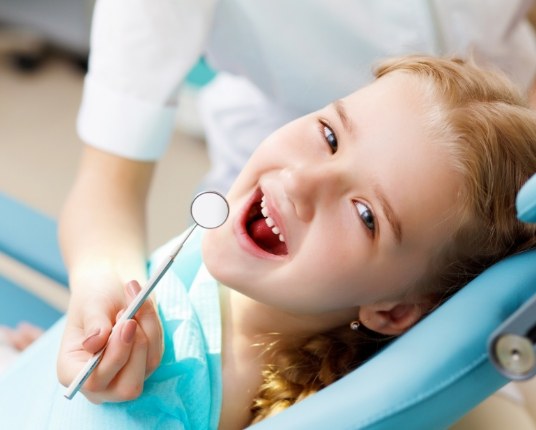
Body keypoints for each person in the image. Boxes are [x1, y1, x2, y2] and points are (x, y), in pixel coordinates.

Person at [1, 56, 535, 429]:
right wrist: (60, 341)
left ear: (394, 312)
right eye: (329, 136)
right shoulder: (237, 270)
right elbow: (102, 201)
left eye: (366, 215)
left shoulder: (156, 400)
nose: (302, 182)